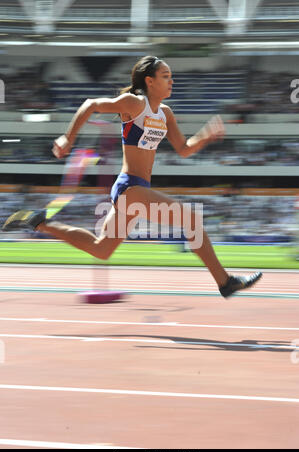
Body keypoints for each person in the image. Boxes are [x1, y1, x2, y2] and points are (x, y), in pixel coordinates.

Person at [2, 55, 262, 298]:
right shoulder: (135, 104)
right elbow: (90, 105)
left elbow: (183, 149)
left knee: (101, 249)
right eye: (165, 76)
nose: (171, 81)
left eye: (171, 76)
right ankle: (225, 282)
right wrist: (68, 138)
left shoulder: (165, 114)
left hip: (137, 189)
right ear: (149, 81)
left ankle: (39, 222)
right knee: (190, 220)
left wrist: (204, 138)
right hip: (129, 188)